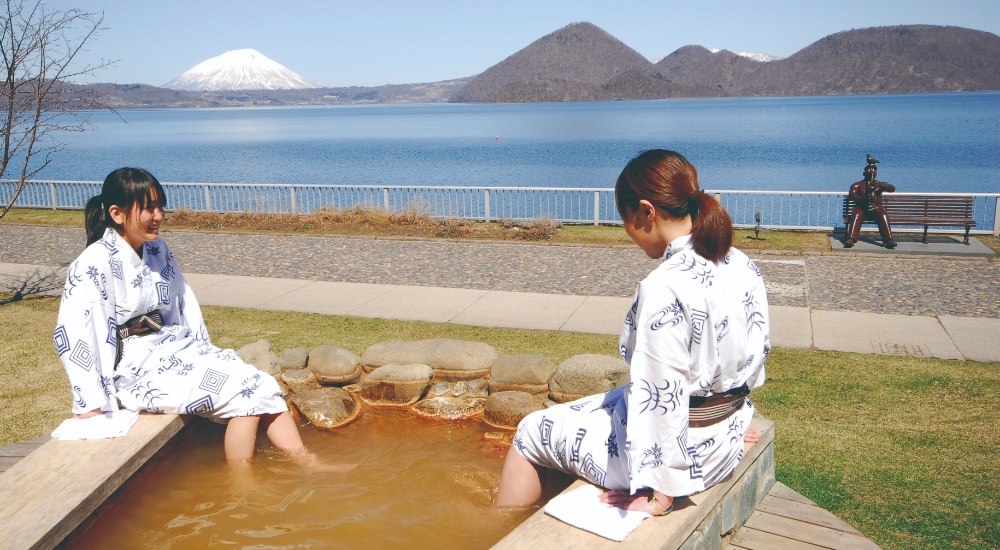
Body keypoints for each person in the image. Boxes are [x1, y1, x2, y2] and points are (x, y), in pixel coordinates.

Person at [494, 150, 769, 516]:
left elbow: (660, 392)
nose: (627, 230)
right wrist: (735, 417)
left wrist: (659, 492)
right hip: (725, 432)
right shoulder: (737, 261)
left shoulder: (664, 286)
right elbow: (753, 351)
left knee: (531, 430)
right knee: (584, 408)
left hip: (690, 455)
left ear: (646, 211)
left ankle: (502, 526)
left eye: (625, 218)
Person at [54, 167, 345, 469]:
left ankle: (306, 462)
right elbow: (78, 332)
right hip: (135, 369)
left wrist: (201, 349)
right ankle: (241, 480)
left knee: (259, 383)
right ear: (117, 213)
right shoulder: (93, 263)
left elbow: (182, 303)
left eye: (160, 206)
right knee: (241, 396)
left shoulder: (157, 249)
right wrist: (90, 400)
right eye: (149, 208)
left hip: (174, 350)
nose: (159, 215)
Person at [844, 158, 896, 248]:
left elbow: (892, 188)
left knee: (883, 214)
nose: (871, 172)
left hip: (876, 207)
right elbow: (852, 194)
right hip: (861, 207)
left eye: (874, 171)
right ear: (864, 173)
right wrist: (861, 199)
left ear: (876, 174)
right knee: (856, 214)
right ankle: (851, 239)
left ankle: (889, 240)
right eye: (869, 170)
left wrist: (880, 185)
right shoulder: (858, 184)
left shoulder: (879, 184)